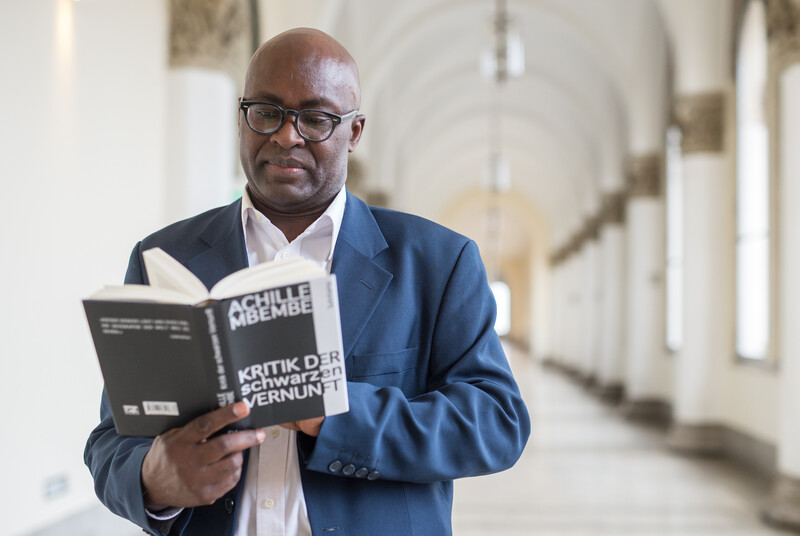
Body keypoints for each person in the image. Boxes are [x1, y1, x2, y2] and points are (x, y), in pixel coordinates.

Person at [85, 27, 530, 536]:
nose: (286, 135)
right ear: (242, 116)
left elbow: (496, 424)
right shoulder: (164, 258)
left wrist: (333, 413)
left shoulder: (438, 262)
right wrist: (153, 479)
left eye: (316, 118)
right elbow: (111, 441)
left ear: (355, 132)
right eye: (266, 112)